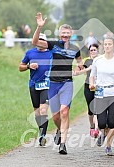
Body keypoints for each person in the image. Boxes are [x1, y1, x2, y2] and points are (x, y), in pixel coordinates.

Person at [32, 12, 82, 154]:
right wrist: (39, 27)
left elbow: (80, 62)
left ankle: (63, 145)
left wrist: (79, 68)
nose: (65, 35)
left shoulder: (75, 48)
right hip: (53, 84)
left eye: (68, 33)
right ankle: (59, 130)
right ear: (60, 34)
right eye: (63, 33)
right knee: (55, 116)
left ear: (71, 34)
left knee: (64, 112)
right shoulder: (53, 45)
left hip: (67, 83)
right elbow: (35, 42)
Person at [19, 33, 51, 146]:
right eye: (39, 39)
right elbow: (20, 67)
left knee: (43, 110)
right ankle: (41, 129)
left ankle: (42, 135)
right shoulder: (30, 53)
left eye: (42, 40)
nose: (40, 42)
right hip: (33, 85)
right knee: (37, 112)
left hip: (47, 85)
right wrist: (29, 66)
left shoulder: (51, 53)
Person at [73, 44, 99, 138]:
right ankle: (92, 126)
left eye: (94, 50)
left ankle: (96, 129)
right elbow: (76, 73)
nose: (93, 52)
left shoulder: (101, 60)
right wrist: (88, 69)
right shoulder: (86, 61)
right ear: (89, 52)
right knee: (90, 109)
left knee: (97, 108)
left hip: (99, 87)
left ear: (98, 51)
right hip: (88, 86)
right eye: (91, 50)